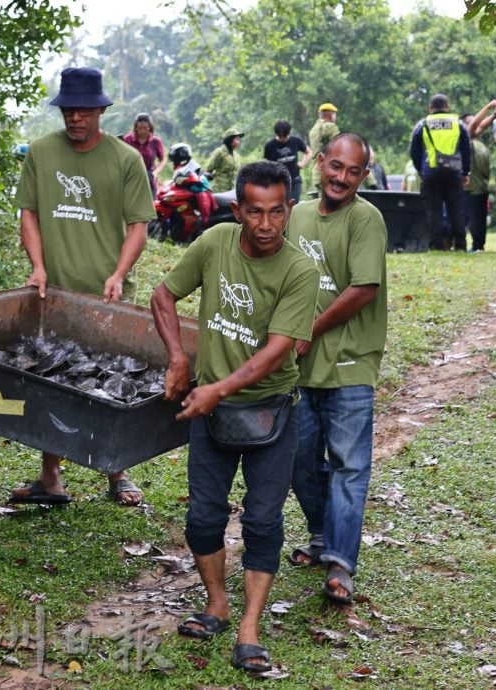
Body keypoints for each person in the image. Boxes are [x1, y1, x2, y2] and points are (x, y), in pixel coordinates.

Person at [151, 161, 318, 673]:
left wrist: (216, 389)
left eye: (275, 212)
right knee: (203, 516)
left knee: (264, 521)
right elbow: (163, 295)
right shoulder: (215, 243)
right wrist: (180, 358)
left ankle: (249, 626)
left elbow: (276, 351)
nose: (265, 225)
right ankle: (216, 602)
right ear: (237, 209)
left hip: (271, 410)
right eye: (254, 212)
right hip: (211, 411)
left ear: (288, 209)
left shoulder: (299, 269)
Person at [9, 67, 155, 507]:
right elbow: (29, 213)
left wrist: (117, 274)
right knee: (52, 380)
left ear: (101, 110)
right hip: (51, 294)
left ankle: (117, 471)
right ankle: (50, 476)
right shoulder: (40, 152)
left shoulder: (125, 160)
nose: (75, 118)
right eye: (68, 109)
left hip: (106, 293)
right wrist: (38, 266)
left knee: (110, 382)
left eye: (84, 110)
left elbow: (138, 226)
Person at [284, 132, 388, 607]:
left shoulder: (367, 219)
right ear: (320, 163)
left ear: (363, 176)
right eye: (336, 167)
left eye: (353, 171)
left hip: (350, 362)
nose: (342, 178)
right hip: (299, 368)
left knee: (349, 466)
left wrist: (308, 328)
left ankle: (342, 563)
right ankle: (322, 536)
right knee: (300, 460)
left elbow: (363, 289)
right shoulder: (299, 215)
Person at [409, 93, 471, 250]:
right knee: (456, 209)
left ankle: (436, 244)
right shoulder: (458, 123)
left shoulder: (422, 124)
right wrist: (465, 172)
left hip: (430, 172)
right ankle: (461, 245)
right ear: (447, 107)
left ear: (430, 108)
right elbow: (466, 149)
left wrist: (421, 170)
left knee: (434, 210)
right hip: (454, 173)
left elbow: (414, 151)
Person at [463, 99, 496, 252]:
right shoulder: (466, 140)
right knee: (472, 219)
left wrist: (495, 115)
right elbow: (473, 127)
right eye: (470, 122)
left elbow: (480, 126)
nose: (476, 123)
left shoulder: (479, 143)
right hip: (470, 188)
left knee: (480, 220)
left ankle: (479, 246)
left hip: (481, 187)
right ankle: (468, 246)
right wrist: (489, 106)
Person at [263, 119, 312, 202]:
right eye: (280, 136)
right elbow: (267, 164)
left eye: (285, 136)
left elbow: (309, 152)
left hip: (294, 180)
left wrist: (303, 163)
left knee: (293, 203)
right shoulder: (270, 146)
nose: (282, 139)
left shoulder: (295, 141)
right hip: (278, 181)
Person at [123, 112, 167, 195]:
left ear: (150, 128)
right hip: (131, 178)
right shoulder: (128, 139)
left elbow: (162, 159)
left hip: (149, 178)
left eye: (145, 128)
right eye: (139, 128)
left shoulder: (155, 141)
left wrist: (156, 172)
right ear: (135, 128)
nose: (142, 131)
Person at [308, 103, 340, 193]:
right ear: (331, 116)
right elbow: (340, 145)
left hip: (317, 171)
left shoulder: (314, 129)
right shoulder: (330, 127)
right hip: (329, 172)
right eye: (334, 115)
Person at [204, 127, 244, 192]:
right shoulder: (219, 152)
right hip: (219, 190)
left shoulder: (237, 155)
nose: (238, 141)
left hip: (232, 190)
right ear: (230, 139)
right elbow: (208, 170)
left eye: (239, 139)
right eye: (236, 139)